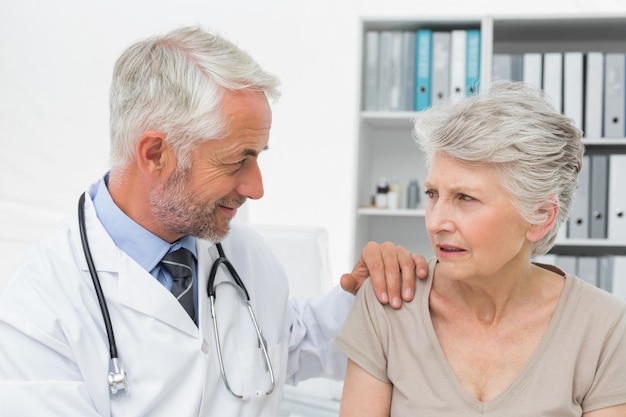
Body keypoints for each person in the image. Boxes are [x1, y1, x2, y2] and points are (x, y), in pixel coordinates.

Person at [0, 26, 428, 416]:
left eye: (258, 157)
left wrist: (364, 297)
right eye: (237, 160)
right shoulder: (38, 308)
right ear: (155, 154)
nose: (256, 187)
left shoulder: (242, 252)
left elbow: (288, 345)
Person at [335, 81, 626, 416]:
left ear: (541, 217)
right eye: (433, 194)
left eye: (465, 198)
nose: (435, 222)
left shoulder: (604, 327)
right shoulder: (389, 304)